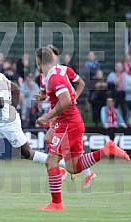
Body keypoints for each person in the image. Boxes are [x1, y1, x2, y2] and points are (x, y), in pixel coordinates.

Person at [35, 46, 130, 211]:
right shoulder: (51, 76)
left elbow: (65, 101)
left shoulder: (55, 77)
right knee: (73, 167)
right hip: (72, 121)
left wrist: (47, 116)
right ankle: (106, 150)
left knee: (51, 161)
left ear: (38, 61)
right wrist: (45, 97)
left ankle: (56, 204)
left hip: (67, 123)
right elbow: (60, 96)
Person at [0, 51, 67, 194]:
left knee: (28, 154)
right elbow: (16, 90)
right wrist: (13, 108)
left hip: (8, 123)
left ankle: (66, 165)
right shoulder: (0, 77)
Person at [37, 44, 96, 189]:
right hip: (57, 114)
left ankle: (73, 171)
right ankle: (80, 171)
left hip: (64, 114)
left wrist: (75, 95)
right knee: (48, 140)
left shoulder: (63, 70)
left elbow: (80, 84)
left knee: (54, 147)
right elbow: (47, 94)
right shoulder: (45, 75)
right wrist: (41, 97)